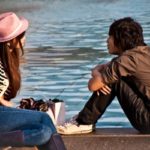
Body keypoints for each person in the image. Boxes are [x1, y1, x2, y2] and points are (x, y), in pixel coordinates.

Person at [57, 17, 150, 135]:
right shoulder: (143, 53)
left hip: (147, 122)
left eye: (110, 36)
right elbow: (110, 66)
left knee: (113, 80)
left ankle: (85, 122)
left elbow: (93, 85)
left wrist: (95, 71)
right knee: (112, 76)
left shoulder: (126, 60)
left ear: (119, 39)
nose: (107, 41)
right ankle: (84, 119)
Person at [0, 12, 66, 150]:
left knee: (44, 131)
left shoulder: (4, 59)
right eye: (21, 35)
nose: (24, 38)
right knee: (43, 121)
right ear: (9, 41)